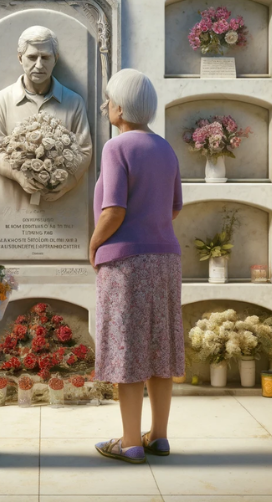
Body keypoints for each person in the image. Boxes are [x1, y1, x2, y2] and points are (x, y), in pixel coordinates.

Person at [90, 69, 184, 464]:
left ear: (121, 107)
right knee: (160, 349)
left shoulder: (117, 147)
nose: (105, 105)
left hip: (126, 262)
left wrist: (94, 244)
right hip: (166, 260)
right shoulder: (165, 148)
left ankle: (129, 442)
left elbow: (113, 210)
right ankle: (159, 437)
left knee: (126, 351)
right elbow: (175, 206)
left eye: (109, 99)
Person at [0, 25, 92, 203]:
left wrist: (68, 182)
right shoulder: (2, 100)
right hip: (13, 203)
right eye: (32, 57)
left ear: (55, 59)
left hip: (62, 206)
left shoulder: (74, 102)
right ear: (20, 58)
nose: (39, 65)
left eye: (46, 57)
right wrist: (17, 175)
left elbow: (84, 150)